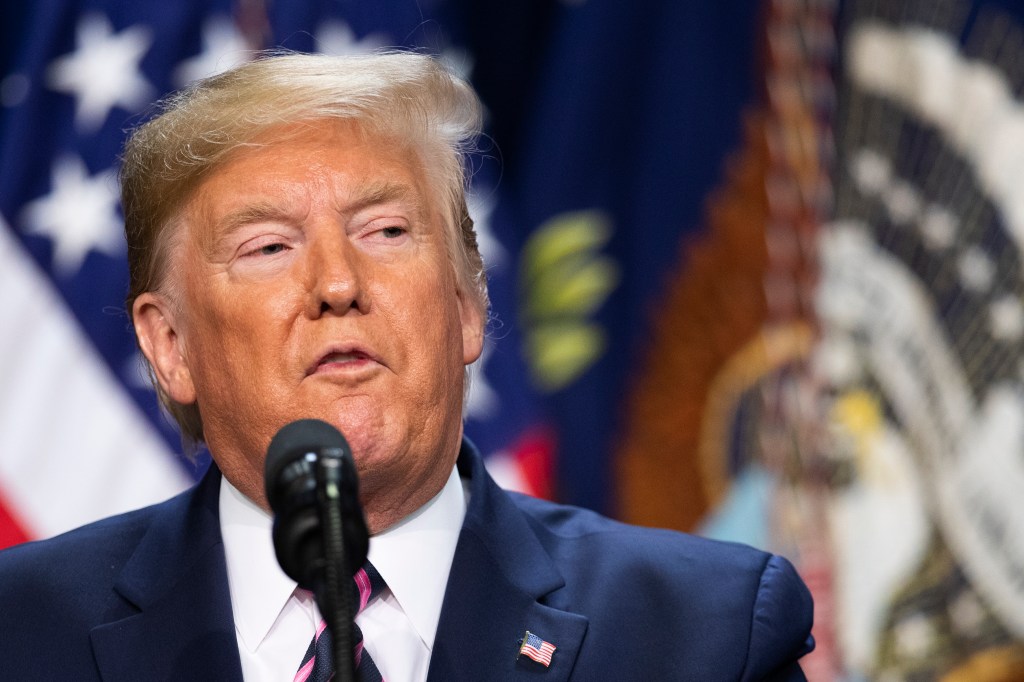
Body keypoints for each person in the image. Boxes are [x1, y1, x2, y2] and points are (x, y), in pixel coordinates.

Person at [0, 51, 814, 680]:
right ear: (170, 346)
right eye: (269, 247)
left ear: (467, 307)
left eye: (385, 232)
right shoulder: (22, 636)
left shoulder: (703, 633)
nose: (338, 284)